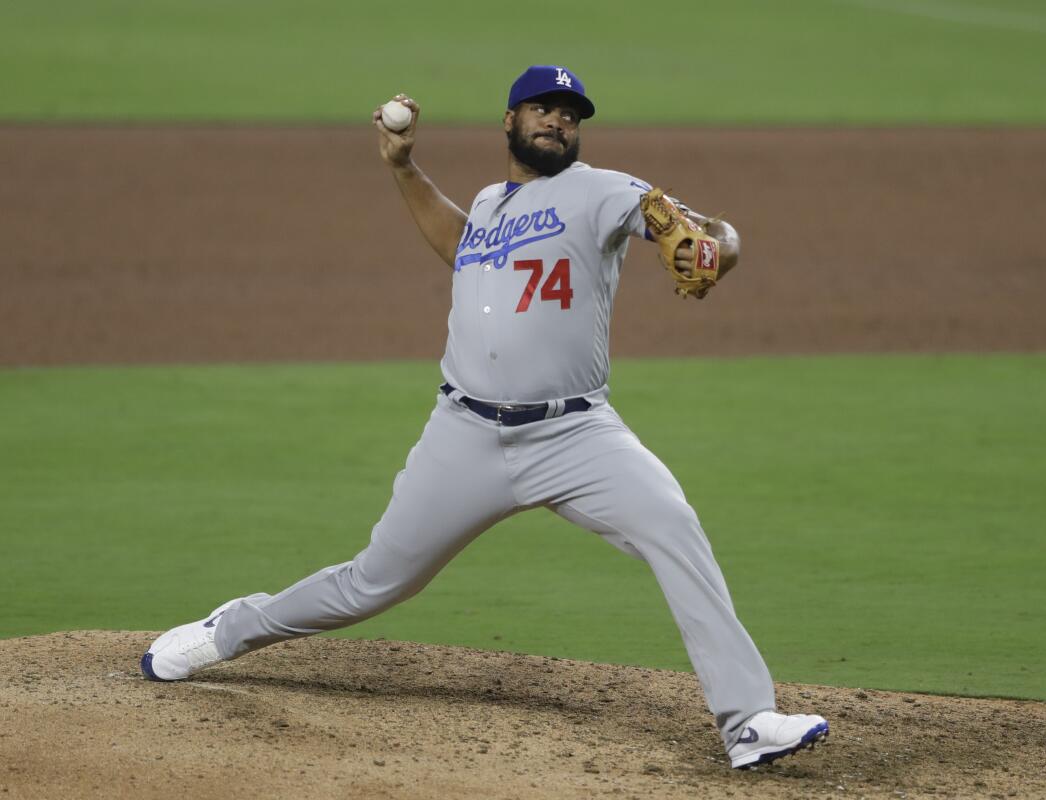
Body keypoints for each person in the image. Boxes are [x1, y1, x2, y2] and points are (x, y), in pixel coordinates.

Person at [140, 65, 828, 769]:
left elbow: (704, 231)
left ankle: (747, 721)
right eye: (542, 108)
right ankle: (231, 629)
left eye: (569, 113)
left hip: (576, 435)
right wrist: (404, 168)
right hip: (463, 435)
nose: (557, 121)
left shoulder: (605, 191)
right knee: (375, 582)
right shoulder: (489, 208)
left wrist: (720, 246)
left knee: (673, 527)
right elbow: (459, 244)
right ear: (509, 121)